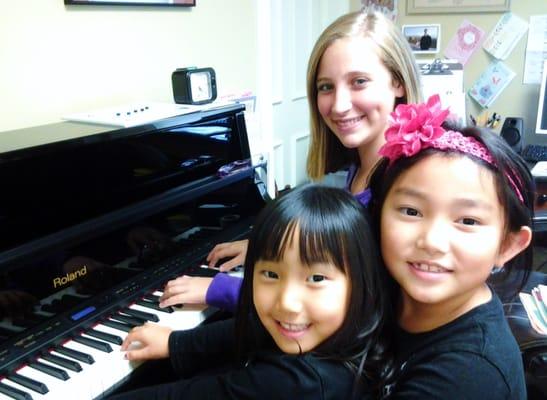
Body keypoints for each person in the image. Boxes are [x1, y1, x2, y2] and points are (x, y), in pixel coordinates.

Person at [159, 10, 422, 310]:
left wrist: (224, 290)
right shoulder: (361, 165)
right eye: (326, 87)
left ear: (398, 82)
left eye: (359, 81)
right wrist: (270, 250)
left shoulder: (404, 184)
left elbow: (355, 295)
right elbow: (340, 252)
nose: (339, 104)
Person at [107, 184, 392, 399]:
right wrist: (176, 344)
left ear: (363, 282)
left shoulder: (301, 383)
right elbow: (254, 326)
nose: (287, 303)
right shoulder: (352, 332)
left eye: (316, 278)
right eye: (270, 274)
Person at [367, 94, 532, 398]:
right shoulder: (388, 290)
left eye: (467, 221)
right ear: (378, 213)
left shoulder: (470, 373)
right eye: (411, 211)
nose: (431, 241)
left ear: (507, 246)